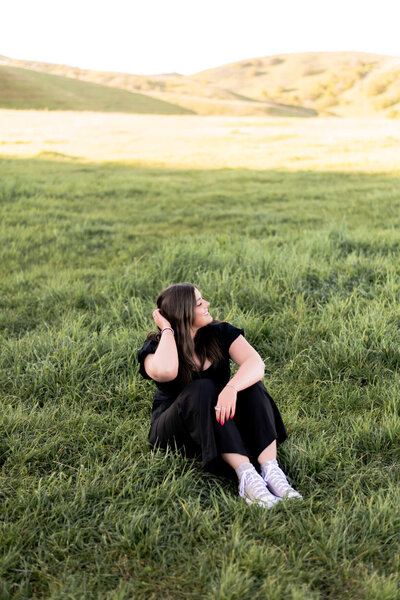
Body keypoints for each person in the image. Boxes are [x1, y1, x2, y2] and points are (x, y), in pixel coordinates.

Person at [137, 283, 302, 508]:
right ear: (183, 313)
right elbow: (166, 371)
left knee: (250, 384)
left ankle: (270, 469)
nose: (207, 304)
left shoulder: (219, 332)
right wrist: (167, 328)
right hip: (176, 432)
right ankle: (246, 477)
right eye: (199, 303)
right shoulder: (157, 346)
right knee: (202, 388)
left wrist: (232, 387)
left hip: (219, 420)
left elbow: (255, 364)